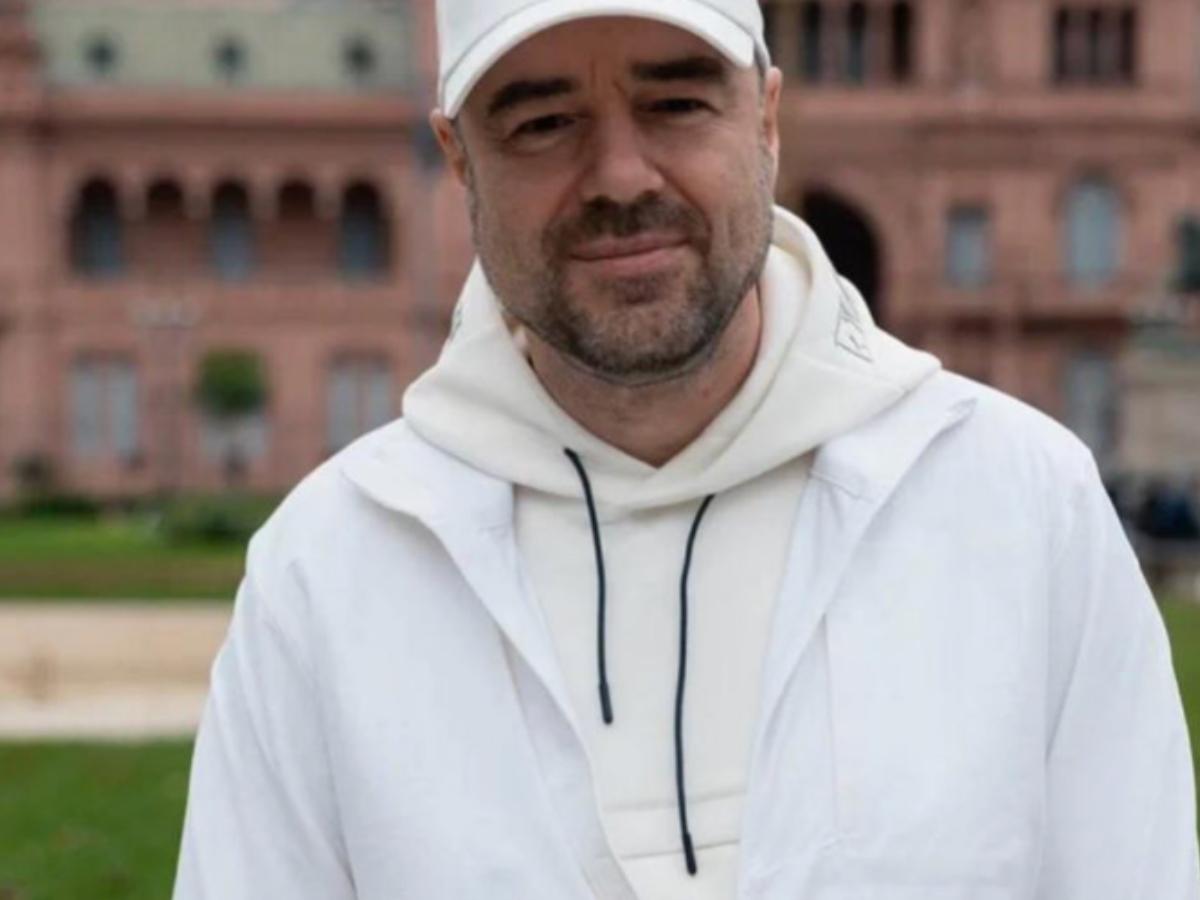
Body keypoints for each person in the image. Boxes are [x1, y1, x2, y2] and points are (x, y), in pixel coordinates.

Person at [172, 1, 1200, 897]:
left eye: (676, 103)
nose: (620, 176)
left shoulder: (1022, 512)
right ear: (457, 160)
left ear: (767, 118)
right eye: (543, 123)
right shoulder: (329, 574)